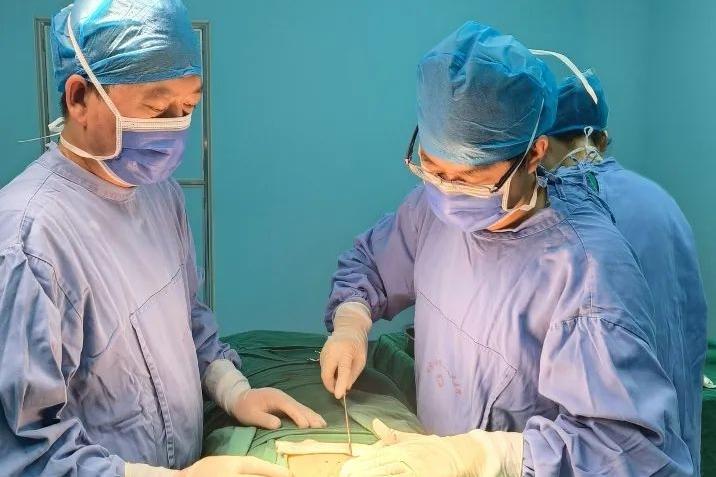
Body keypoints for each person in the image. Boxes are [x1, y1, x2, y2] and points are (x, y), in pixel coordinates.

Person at [321, 21, 693, 476]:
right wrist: (351, 322)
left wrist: (486, 457)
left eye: (470, 177)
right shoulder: (428, 210)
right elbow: (371, 264)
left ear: (534, 154)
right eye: (432, 168)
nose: (447, 191)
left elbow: (626, 450)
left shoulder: (586, 274)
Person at [0, 1, 325, 476]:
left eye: (187, 107)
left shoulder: (158, 194)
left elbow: (186, 315)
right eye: (156, 109)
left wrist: (232, 389)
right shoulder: (29, 241)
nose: (174, 125)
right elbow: (26, 449)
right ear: (79, 97)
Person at [541, 70, 708, 475]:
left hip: (606, 449)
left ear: (540, 142)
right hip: (676, 435)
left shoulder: (561, 208)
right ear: (601, 136)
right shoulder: (659, 199)